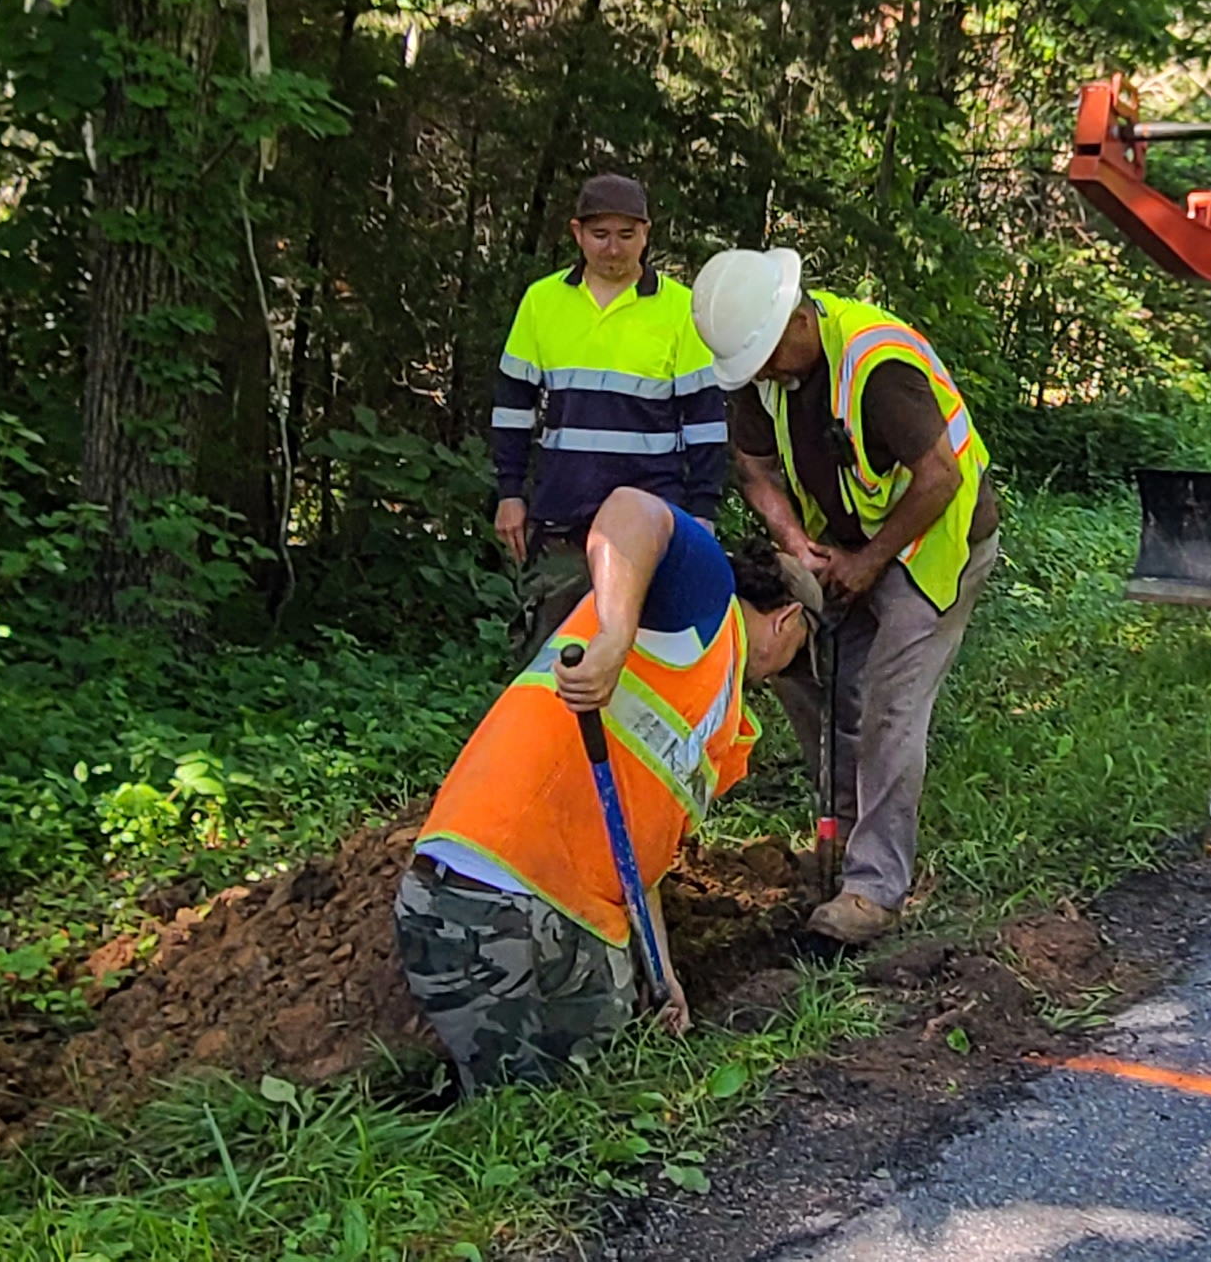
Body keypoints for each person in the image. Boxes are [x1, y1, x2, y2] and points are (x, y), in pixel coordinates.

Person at [399, 485, 812, 1096]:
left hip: (573, 917)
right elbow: (631, 511)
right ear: (788, 619)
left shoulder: (718, 709)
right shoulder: (700, 601)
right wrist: (615, 639)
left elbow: (643, 855)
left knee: (611, 1089)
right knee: (528, 1117)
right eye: (801, 651)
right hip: (487, 896)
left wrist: (661, 969)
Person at [687, 247, 999, 949]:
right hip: (841, 541)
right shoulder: (758, 366)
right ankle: (838, 833)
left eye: (769, 356)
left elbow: (941, 477)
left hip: (933, 546)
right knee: (813, 678)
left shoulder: (875, 365)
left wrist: (869, 561)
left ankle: (873, 890)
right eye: (752, 367)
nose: (763, 373)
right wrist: (796, 542)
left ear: (798, 317)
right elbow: (756, 468)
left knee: (890, 704)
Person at [489, 175, 727, 607]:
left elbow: (705, 422)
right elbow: (512, 408)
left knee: (645, 659)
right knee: (553, 655)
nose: (613, 248)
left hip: (651, 522)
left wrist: (703, 513)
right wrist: (509, 493)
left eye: (626, 235)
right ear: (577, 233)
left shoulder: (679, 309)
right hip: (561, 516)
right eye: (600, 235)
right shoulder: (542, 302)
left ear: (646, 234)